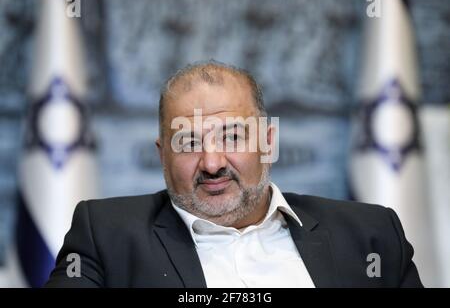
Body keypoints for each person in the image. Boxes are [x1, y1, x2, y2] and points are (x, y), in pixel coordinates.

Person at [45, 60, 423, 288]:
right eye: (189, 142)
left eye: (231, 136)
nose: (212, 164)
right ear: (163, 155)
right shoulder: (105, 235)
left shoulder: (371, 235)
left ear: (267, 141)